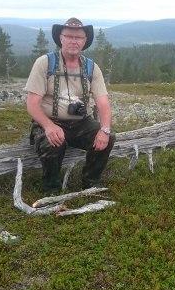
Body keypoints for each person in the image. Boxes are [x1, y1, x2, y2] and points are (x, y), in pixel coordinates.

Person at [25, 17, 115, 193]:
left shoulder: (91, 67)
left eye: (79, 38)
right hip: (49, 120)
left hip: (80, 122)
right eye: (69, 36)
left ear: (84, 41)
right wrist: (49, 126)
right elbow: (32, 104)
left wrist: (104, 130)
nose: (74, 41)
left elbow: (103, 102)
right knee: (53, 143)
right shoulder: (45, 63)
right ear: (61, 38)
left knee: (108, 138)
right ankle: (51, 189)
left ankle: (90, 184)